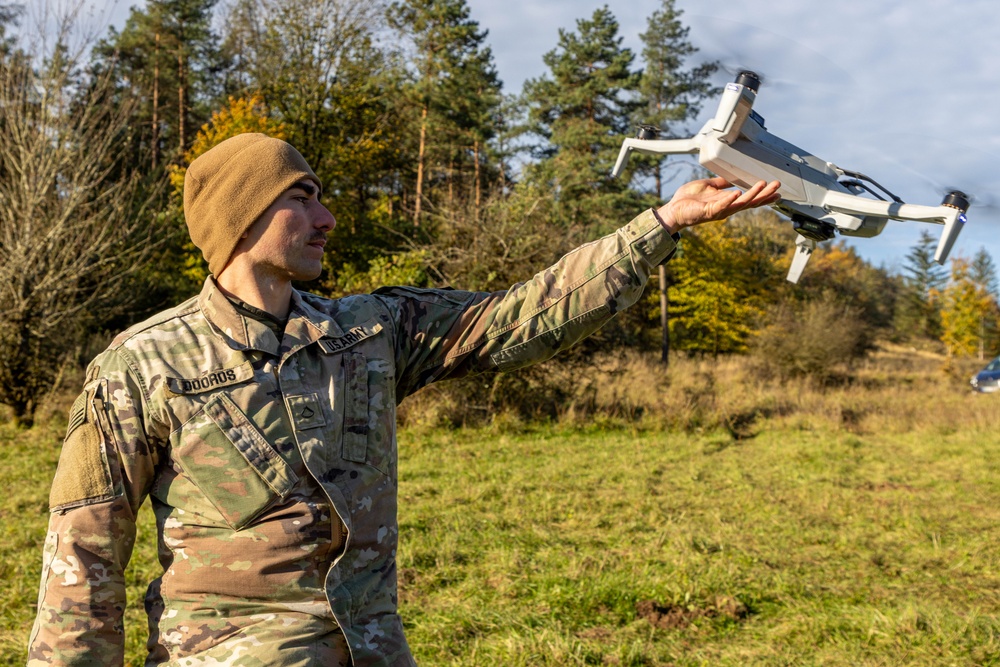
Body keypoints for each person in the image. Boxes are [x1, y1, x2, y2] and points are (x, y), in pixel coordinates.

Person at [27, 133, 780, 666]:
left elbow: (521, 313)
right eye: (303, 198)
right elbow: (83, 566)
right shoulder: (140, 367)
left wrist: (659, 226)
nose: (327, 219)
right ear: (241, 215)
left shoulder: (366, 333)